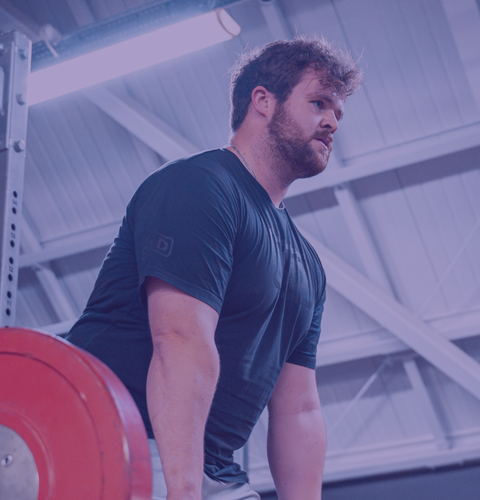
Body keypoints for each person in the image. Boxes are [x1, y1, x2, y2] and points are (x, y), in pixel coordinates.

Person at [67, 36, 362, 500]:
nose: (332, 122)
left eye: (338, 113)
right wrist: (184, 492)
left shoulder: (307, 266)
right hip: (112, 439)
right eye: (319, 103)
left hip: (211, 466)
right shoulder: (199, 187)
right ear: (263, 101)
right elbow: (179, 339)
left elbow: (299, 409)